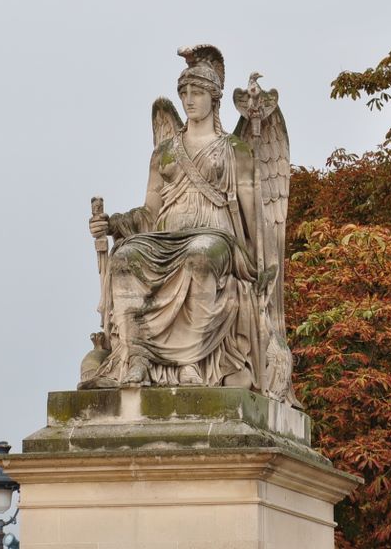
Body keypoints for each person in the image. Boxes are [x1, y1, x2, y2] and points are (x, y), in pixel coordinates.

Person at [86, 46, 266, 389]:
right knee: (124, 257)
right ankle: (136, 356)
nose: (189, 100)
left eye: (196, 93)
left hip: (216, 238)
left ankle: (190, 362)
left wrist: (260, 265)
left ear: (214, 98)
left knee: (199, 255)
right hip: (164, 238)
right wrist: (112, 224)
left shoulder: (235, 149)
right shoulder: (164, 152)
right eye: (183, 93)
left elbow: (251, 215)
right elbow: (149, 211)